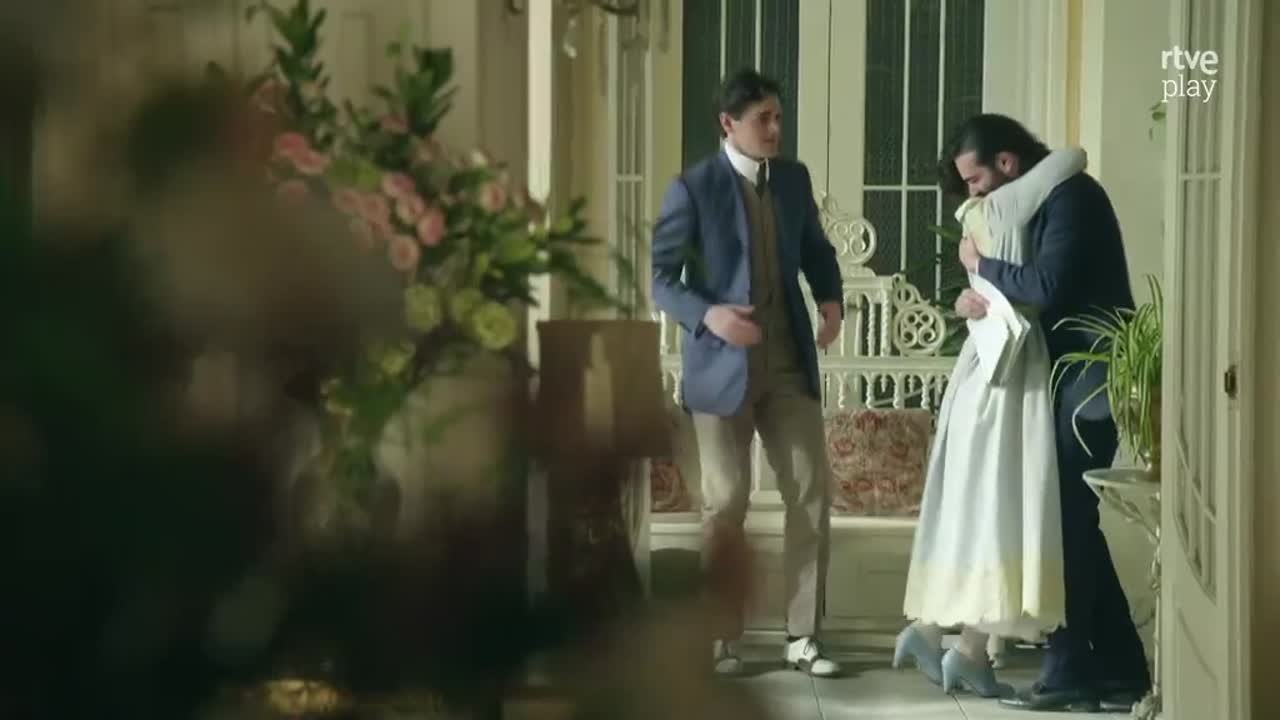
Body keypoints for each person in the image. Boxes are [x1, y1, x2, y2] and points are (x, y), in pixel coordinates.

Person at [949, 114, 1150, 712]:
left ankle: (1068, 676)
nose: (973, 194)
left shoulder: (1072, 198)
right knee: (1074, 521)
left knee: (1064, 521)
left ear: (1006, 163)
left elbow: (1047, 286)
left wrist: (981, 266)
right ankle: (1121, 671)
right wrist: (976, 300)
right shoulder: (1038, 203)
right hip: (1074, 377)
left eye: (975, 180)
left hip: (1095, 375)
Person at [650, 68, 844, 678]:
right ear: (728, 124)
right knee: (726, 500)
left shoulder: (793, 180)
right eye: (764, 119)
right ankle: (720, 638)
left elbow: (816, 249)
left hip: (787, 364)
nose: (776, 129)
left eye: (779, 116)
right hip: (719, 369)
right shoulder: (692, 188)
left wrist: (831, 299)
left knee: (811, 492)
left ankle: (803, 637)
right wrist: (708, 314)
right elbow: (661, 281)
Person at [893, 140, 1088, 698]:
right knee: (1002, 505)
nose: (975, 188)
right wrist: (980, 268)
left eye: (974, 177)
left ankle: (938, 633)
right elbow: (1073, 156)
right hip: (1011, 371)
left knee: (976, 505)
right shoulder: (1004, 206)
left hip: (978, 366)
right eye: (971, 180)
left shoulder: (976, 216)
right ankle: (964, 649)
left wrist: (972, 283)